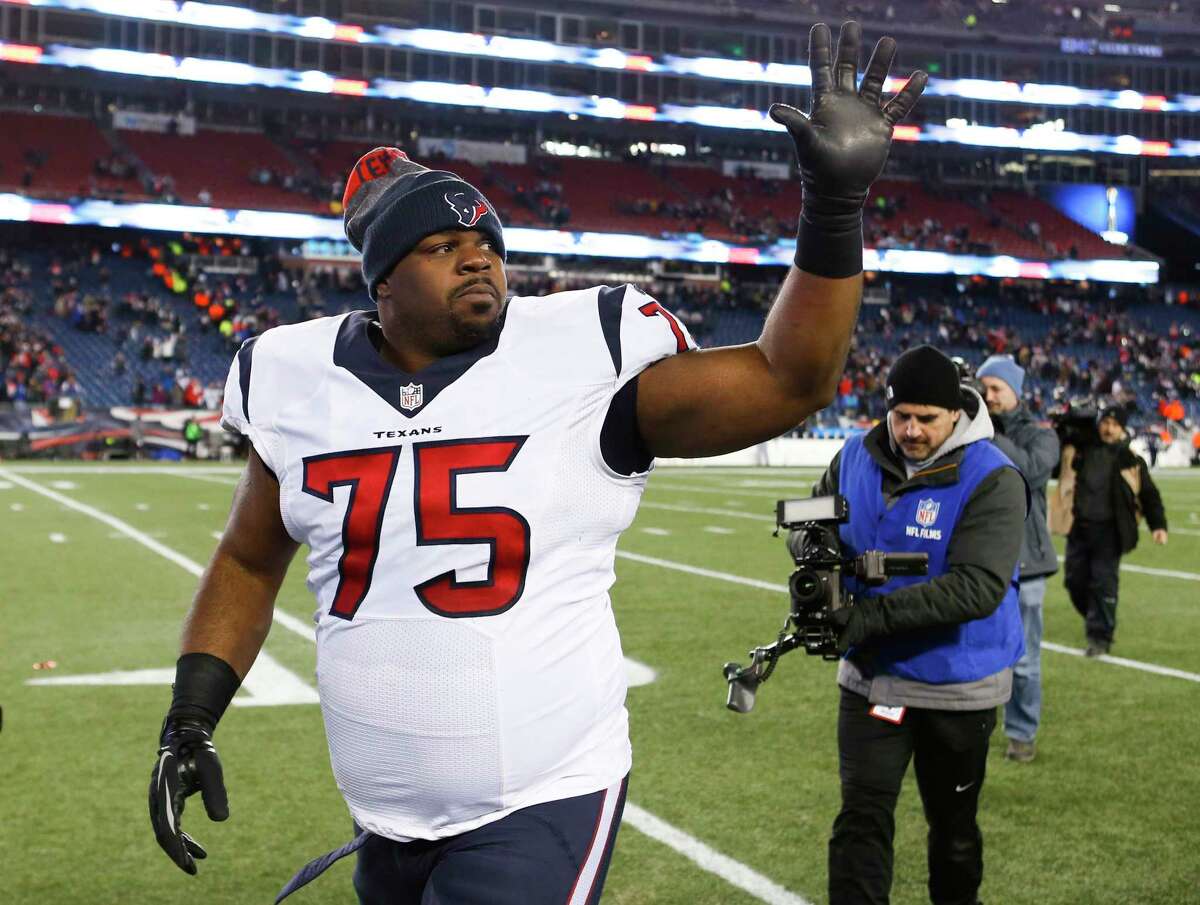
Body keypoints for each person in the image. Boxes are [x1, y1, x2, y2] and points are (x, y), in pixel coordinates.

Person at [146, 21, 928, 905]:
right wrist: (188, 717)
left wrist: (832, 212)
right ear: (382, 284)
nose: (477, 255)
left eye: (487, 242)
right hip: (383, 823)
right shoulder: (293, 376)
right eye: (442, 247)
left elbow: (791, 377)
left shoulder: (580, 354)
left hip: (541, 800)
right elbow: (251, 557)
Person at [811, 344, 1026, 905]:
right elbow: (811, 515)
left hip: (958, 682)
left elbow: (977, 586)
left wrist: (866, 616)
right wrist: (815, 550)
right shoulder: (854, 454)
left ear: (956, 411)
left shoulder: (994, 475)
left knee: (953, 831)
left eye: (925, 419)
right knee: (860, 819)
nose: (910, 430)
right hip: (871, 678)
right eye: (900, 415)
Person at [977, 354, 1059, 764]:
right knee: (976, 649)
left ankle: (1022, 733)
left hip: (1027, 561)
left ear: (1017, 393)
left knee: (1024, 659)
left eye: (996, 389)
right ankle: (974, 723)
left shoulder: (1042, 436)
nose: (988, 396)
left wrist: (985, 429)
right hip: (980, 558)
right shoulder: (971, 432)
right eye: (983, 388)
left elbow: (1028, 470)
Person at [1057, 406, 1168, 657]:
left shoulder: (1131, 461)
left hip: (1110, 532)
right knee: (1074, 582)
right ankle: (1096, 616)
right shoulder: (1081, 451)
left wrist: (1158, 525)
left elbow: (1150, 495)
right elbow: (1060, 449)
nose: (1108, 428)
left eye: (1115, 425)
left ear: (1122, 429)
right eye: (1105, 422)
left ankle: (1100, 637)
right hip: (1080, 528)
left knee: (1104, 584)